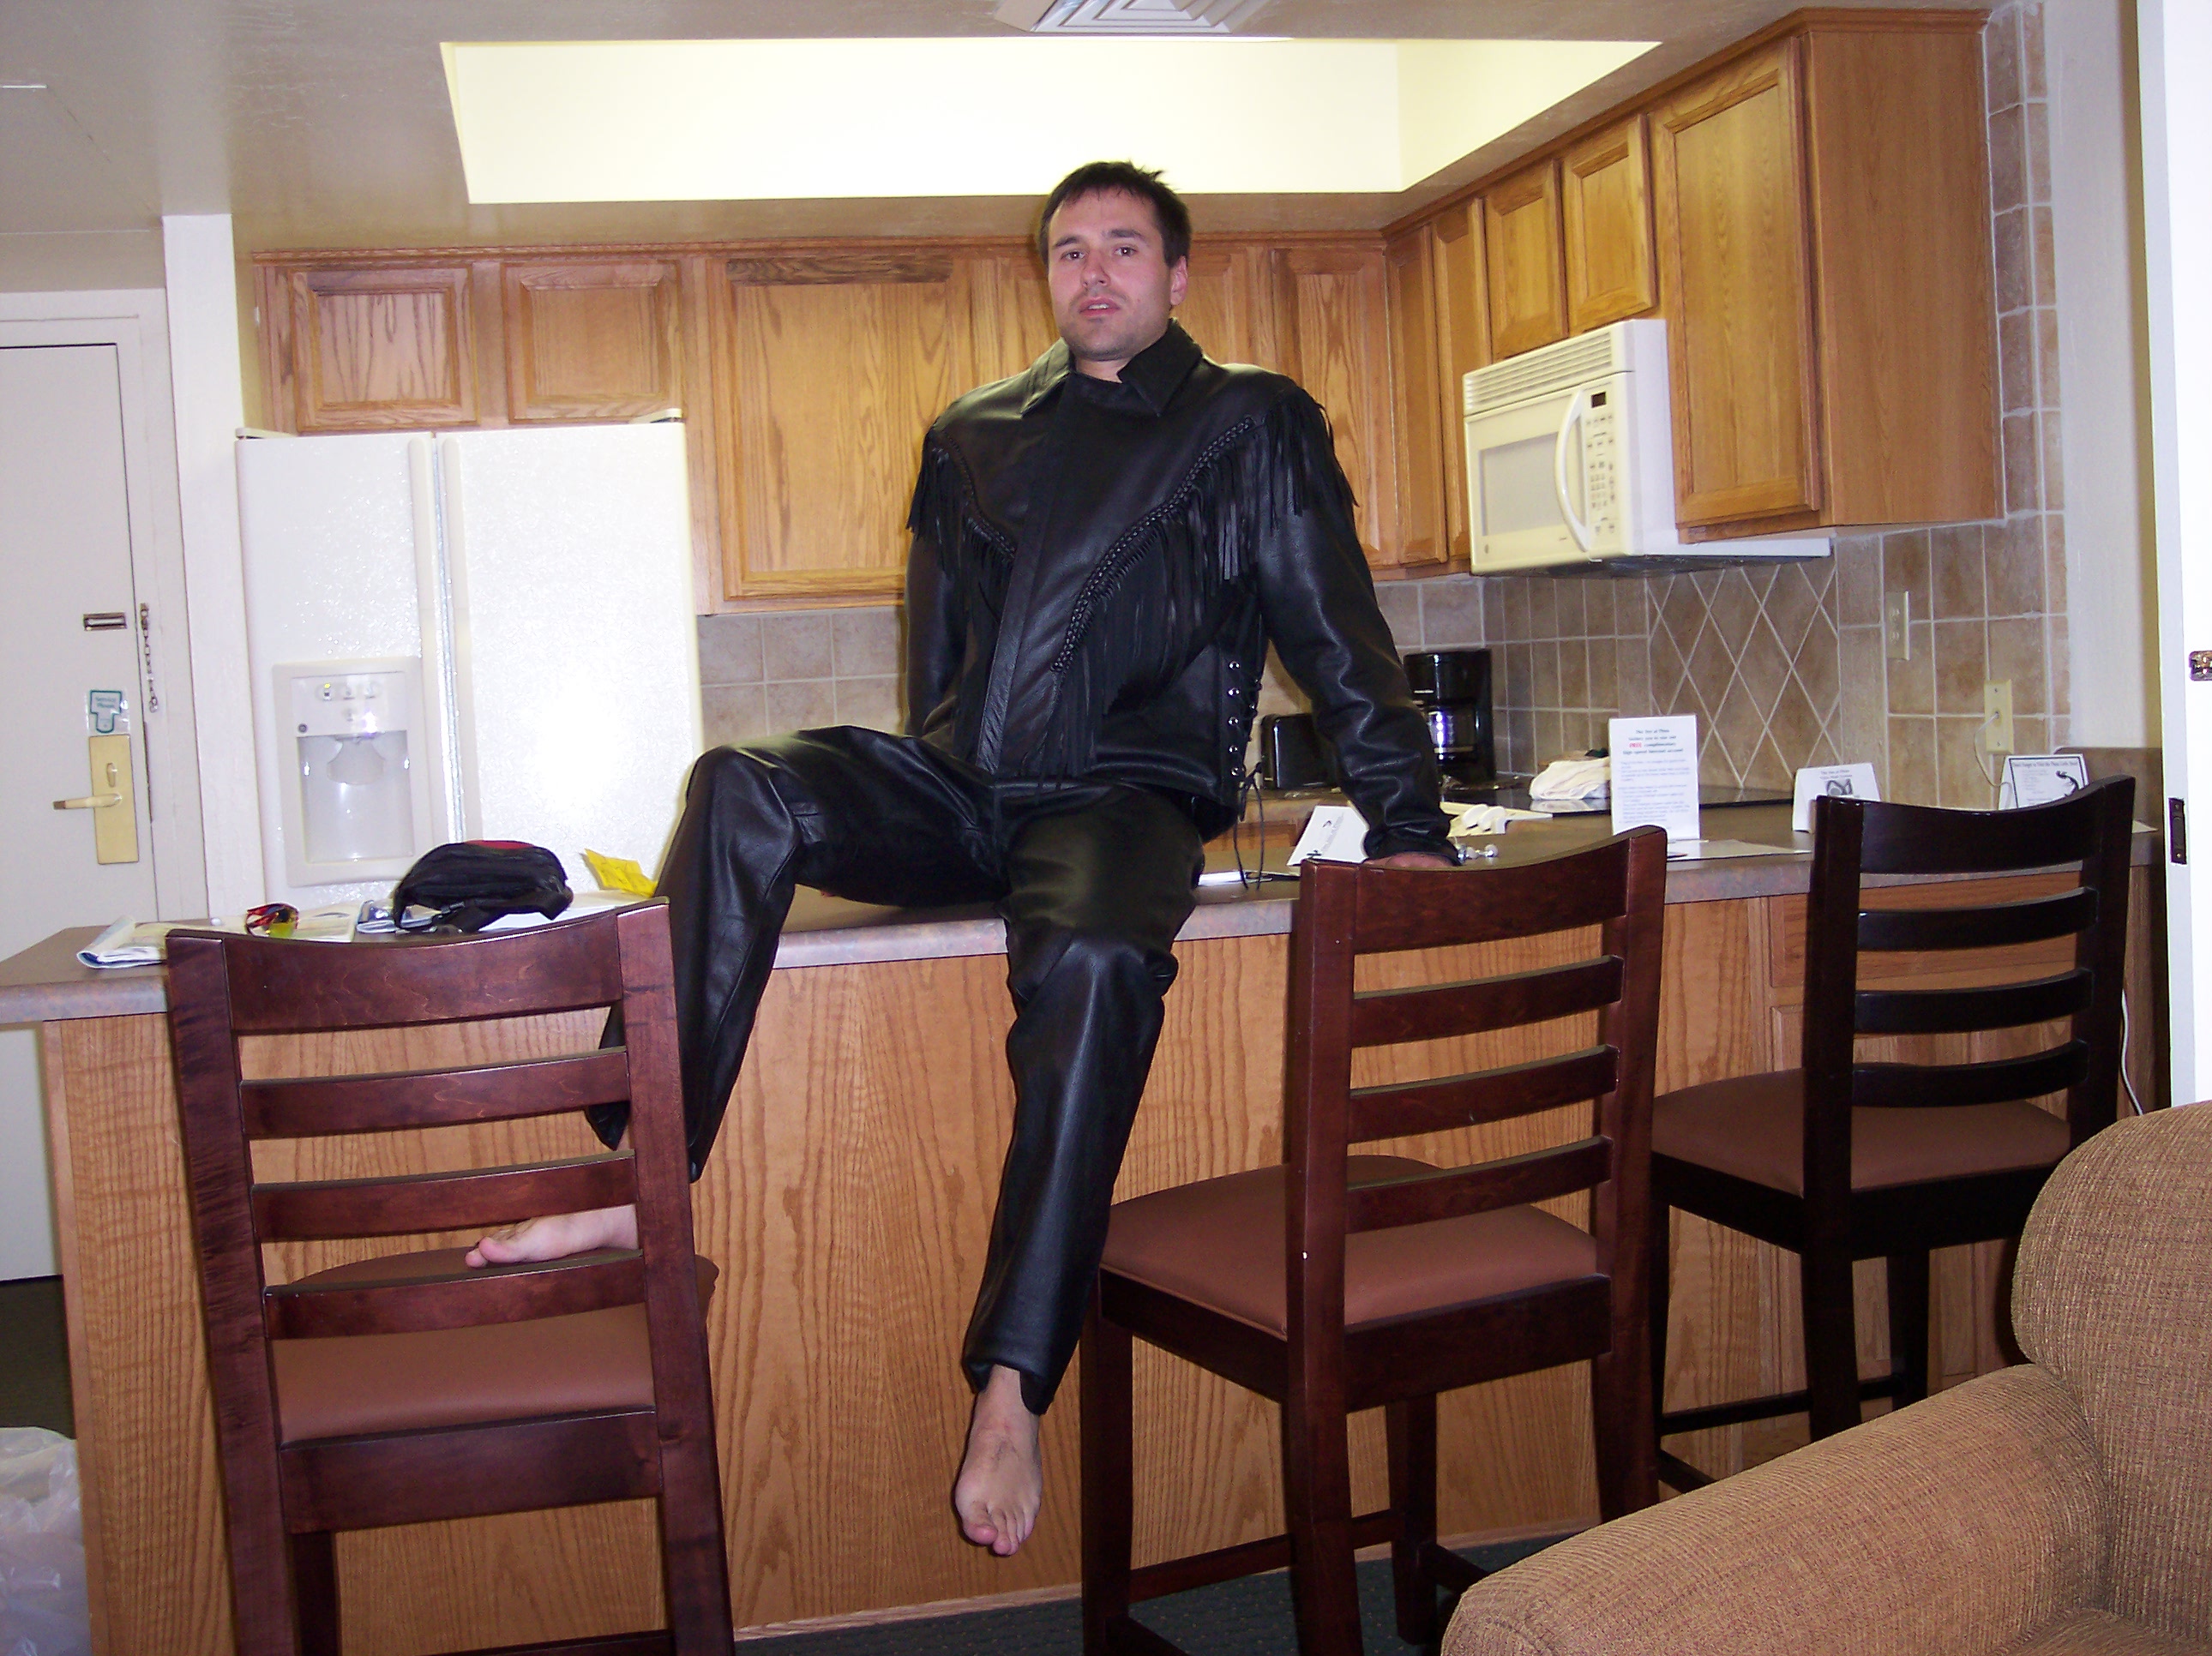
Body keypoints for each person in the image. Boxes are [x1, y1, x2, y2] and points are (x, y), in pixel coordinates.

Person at [468, 159, 1458, 1557]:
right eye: (1070, 250)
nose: (1094, 272)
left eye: (1125, 247)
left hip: (1124, 799)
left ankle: (1011, 1383)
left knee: (1098, 962)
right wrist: (922, 790)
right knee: (740, 784)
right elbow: (936, 671)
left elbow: (1338, 636)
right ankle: (637, 1187)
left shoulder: (1252, 422)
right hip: (969, 790)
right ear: (1047, 274)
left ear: (1179, 275)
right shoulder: (970, 432)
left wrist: (1410, 831)